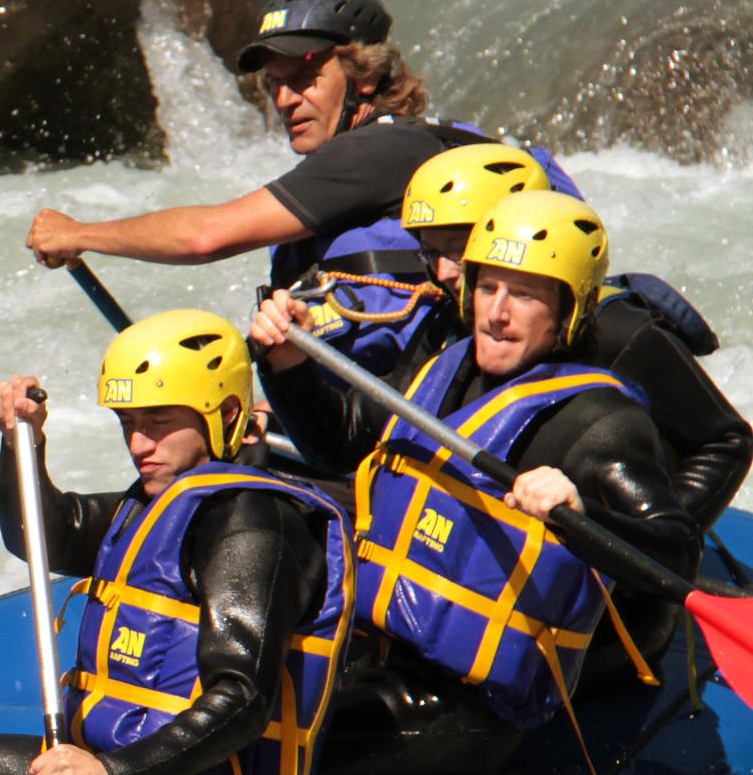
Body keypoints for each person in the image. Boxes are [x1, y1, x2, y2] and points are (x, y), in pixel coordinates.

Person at [250, 191, 698, 775]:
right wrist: (287, 365)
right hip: (373, 650)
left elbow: (675, 552)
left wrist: (582, 511)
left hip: (458, 709)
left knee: (255, 745)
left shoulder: (600, 423)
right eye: (488, 288)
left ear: (570, 309)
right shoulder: (448, 363)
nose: (497, 313)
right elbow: (345, 443)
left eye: (526, 294)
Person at [0, 312, 353, 775]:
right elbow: (42, 533)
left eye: (159, 420)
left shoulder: (253, 524)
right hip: (110, 771)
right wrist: (21, 443)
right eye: (128, 423)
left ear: (226, 415)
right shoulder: (156, 502)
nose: (138, 444)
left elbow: (242, 700)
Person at [24, 0, 574, 382]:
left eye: (307, 76)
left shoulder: (374, 153)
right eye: (275, 85)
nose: (286, 100)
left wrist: (81, 234)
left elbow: (206, 236)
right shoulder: (433, 138)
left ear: (366, 76)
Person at [264, 146, 751, 526]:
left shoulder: (619, 333)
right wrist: (290, 368)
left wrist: (636, 544)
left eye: (458, 251)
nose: (442, 274)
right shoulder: (451, 324)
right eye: (429, 252)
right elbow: (350, 442)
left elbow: (727, 441)